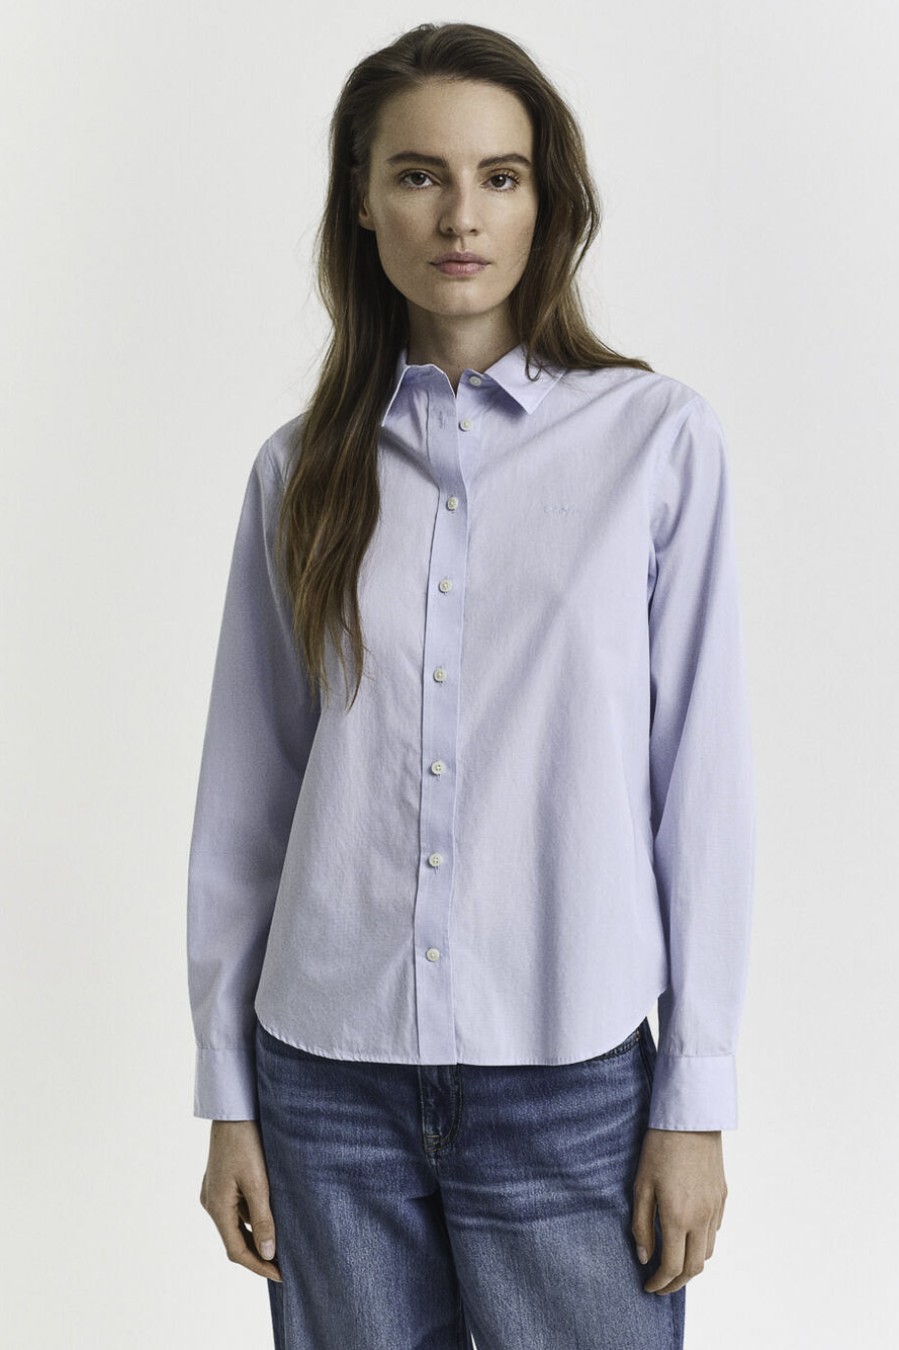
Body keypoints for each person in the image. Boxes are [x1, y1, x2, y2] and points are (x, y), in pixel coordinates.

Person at [187, 20, 755, 1350]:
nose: (461, 215)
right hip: (326, 1086)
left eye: (501, 177)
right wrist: (228, 1093)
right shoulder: (298, 471)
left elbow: (701, 791)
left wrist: (695, 1100)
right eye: (419, 174)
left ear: (547, 204)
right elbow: (247, 801)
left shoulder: (656, 443)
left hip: (569, 1083)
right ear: (362, 201)